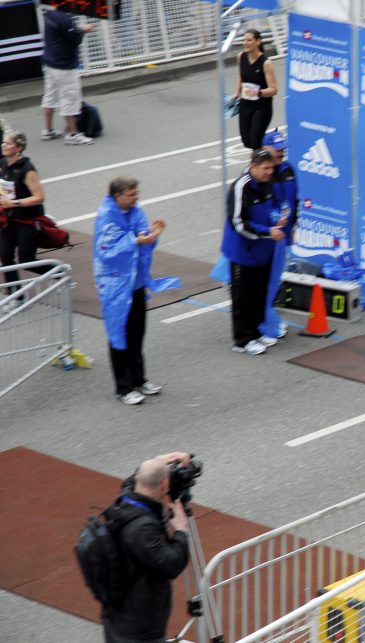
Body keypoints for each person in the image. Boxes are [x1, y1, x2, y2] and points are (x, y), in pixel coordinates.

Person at [93, 177, 167, 405]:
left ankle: (139, 379)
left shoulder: (136, 210)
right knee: (119, 334)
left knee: (137, 332)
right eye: (132, 194)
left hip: (135, 282)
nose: (137, 197)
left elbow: (142, 236)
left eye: (137, 193)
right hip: (115, 285)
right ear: (118, 196)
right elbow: (107, 252)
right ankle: (123, 387)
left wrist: (151, 235)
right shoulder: (106, 217)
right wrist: (135, 240)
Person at [102, 456, 191, 642]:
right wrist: (181, 530)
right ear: (165, 484)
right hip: (139, 627)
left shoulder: (125, 501)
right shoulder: (142, 529)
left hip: (117, 613)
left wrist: (167, 458)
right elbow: (172, 563)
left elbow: (136, 476)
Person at [221, 149, 286, 355]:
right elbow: (238, 223)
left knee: (260, 292)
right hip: (243, 252)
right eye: (265, 168)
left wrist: (278, 219)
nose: (269, 172)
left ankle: (257, 332)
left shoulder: (268, 183)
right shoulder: (241, 187)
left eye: (271, 168)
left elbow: (271, 209)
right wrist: (268, 231)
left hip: (263, 250)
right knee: (243, 296)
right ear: (253, 167)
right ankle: (242, 340)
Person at [258, 129, 298, 345]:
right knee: (265, 281)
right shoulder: (263, 173)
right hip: (267, 236)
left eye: (284, 148)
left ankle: (267, 316)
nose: (282, 152)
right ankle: (264, 322)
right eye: (277, 148)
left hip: (283, 233)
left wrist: (293, 224)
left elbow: (294, 200)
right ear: (266, 149)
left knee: (275, 280)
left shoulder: (288, 169)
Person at [40, 4, 94, 145]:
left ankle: (48, 130)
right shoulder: (63, 18)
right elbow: (74, 40)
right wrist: (82, 29)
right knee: (70, 98)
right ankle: (73, 134)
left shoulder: (49, 12)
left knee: (50, 95)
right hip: (63, 65)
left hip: (49, 62)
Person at [0, 131, 48, 289]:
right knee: (5, 257)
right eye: (3, 142)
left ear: (18, 147)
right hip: (9, 220)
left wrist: (14, 203)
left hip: (27, 221)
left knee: (27, 261)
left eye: (8, 143)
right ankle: (16, 296)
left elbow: (39, 197)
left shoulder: (27, 169)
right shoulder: (5, 163)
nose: (4, 145)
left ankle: (59, 272)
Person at [235, 29, 277, 150]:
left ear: (258, 42)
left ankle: (258, 166)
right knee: (246, 141)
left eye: (249, 40)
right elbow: (241, 75)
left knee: (255, 141)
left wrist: (258, 92)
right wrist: (237, 92)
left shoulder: (266, 63)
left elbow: (273, 89)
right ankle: (270, 143)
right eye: (244, 40)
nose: (245, 43)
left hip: (261, 106)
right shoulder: (241, 57)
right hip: (245, 104)